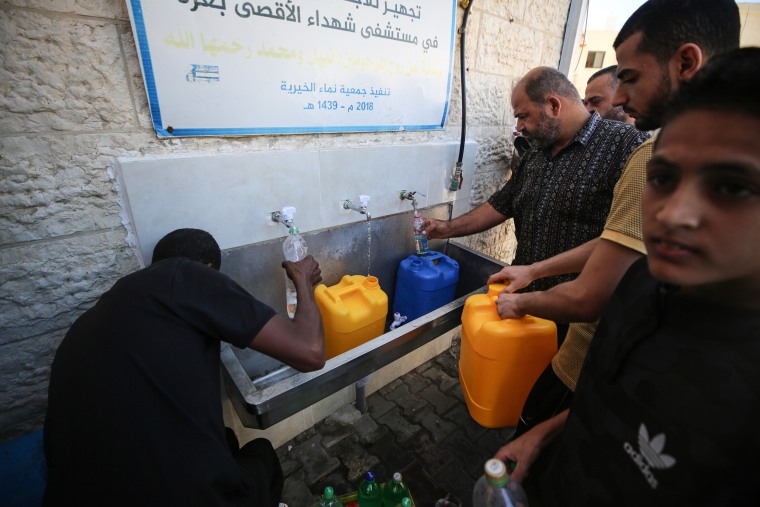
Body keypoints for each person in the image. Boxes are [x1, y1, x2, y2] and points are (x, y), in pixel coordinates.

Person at [494, 45, 760, 505]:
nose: (674, 215)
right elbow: (603, 390)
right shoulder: (644, 284)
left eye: (730, 187)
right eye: (662, 179)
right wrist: (543, 436)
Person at [43, 228, 325, 506]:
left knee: (226, 441)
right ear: (209, 270)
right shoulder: (185, 275)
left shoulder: (100, 315)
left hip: (72, 493)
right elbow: (310, 352)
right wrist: (302, 280)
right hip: (176, 495)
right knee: (262, 455)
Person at [424, 66, 647, 300]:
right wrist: (446, 228)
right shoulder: (536, 151)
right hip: (524, 297)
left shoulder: (628, 146)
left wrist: (536, 271)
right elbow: (502, 203)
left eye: (523, 116)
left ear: (553, 106)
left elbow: (624, 238)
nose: (519, 127)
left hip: (580, 308)